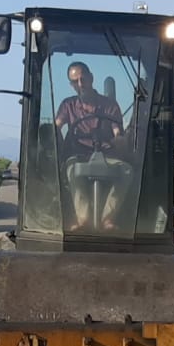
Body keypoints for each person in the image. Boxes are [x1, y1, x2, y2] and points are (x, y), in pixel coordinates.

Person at [54, 61, 132, 231]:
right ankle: (84, 220)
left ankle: (107, 219)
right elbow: (56, 126)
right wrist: (52, 134)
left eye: (83, 79)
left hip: (107, 156)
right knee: (73, 170)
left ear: (91, 78)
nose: (80, 85)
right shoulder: (68, 105)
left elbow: (117, 131)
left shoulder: (109, 105)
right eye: (75, 82)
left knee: (126, 170)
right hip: (79, 157)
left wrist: (120, 140)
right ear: (71, 85)